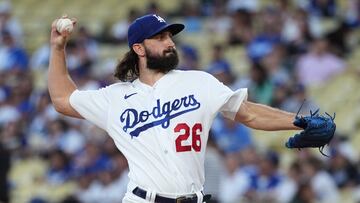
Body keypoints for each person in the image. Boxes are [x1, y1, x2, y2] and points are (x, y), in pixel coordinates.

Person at [48, 14, 302, 203]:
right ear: (139, 48)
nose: (169, 42)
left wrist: (300, 121)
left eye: (170, 36)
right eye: (160, 37)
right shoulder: (114, 98)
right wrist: (58, 49)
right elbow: (62, 99)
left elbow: (249, 113)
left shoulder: (199, 81)